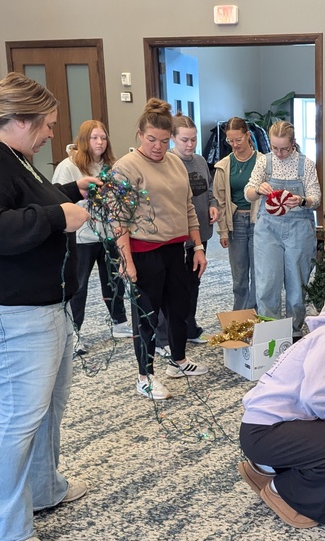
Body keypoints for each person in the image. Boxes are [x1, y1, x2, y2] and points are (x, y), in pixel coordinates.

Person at [0, 72, 95, 541]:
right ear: (21, 120)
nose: (53, 132)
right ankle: (2, 527)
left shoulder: (16, 157)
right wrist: (59, 217)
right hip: (9, 311)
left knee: (49, 407)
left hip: (43, 305)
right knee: (19, 417)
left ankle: (45, 488)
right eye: (48, 124)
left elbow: (33, 206)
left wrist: (72, 196)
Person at [238, 291, 325, 528]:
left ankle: (264, 470)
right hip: (265, 432)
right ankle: (285, 494)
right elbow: (314, 395)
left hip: (261, 430)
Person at [113, 98, 208, 400]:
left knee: (179, 311)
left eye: (164, 141)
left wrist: (198, 247)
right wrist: (126, 260)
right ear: (140, 134)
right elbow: (119, 220)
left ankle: (178, 361)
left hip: (175, 249)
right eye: (152, 139)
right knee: (147, 318)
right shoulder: (126, 167)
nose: (158, 146)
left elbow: (188, 207)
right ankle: (144, 376)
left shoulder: (176, 163)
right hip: (143, 252)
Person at [52, 120, 130, 350]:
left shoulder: (112, 166)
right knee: (79, 285)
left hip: (107, 234)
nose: (99, 142)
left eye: (103, 137)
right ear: (84, 140)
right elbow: (58, 198)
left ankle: (119, 321)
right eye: (94, 138)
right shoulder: (69, 166)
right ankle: (73, 333)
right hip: (81, 236)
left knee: (114, 280)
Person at [245, 120, 320, 338]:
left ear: (293, 143)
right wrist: (258, 189)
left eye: (284, 148)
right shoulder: (263, 162)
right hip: (268, 228)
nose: (279, 153)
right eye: (275, 148)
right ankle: (271, 332)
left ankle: (294, 331)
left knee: (297, 285)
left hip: (299, 228)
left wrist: (303, 200)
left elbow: (316, 198)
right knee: (267, 281)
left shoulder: (305, 164)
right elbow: (248, 193)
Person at [154, 112, 219, 355]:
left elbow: (209, 189)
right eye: (184, 140)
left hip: (200, 234)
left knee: (193, 284)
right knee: (171, 289)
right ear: (172, 139)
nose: (190, 145)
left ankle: (188, 328)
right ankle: (163, 336)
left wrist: (213, 204)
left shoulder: (200, 161)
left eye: (193, 139)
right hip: (177, 237)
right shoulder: (167, 163)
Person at [212, 117, 261, 311]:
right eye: (230, 141)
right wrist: (223, 231)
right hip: (237, 222)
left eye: (238, 140)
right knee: (239, 276)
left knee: (259, 273)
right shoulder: (224, 165)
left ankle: (256, 314)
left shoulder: (262, 161)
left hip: (259, 221)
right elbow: (220, 201)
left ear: (248, 136)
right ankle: (240, 316)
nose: (234, 145)